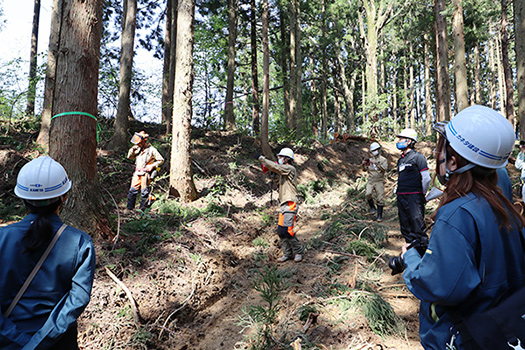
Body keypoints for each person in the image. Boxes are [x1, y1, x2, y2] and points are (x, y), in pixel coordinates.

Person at [401, 105, 525, 350]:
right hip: (501, 330)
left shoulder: (456, 214)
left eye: (440, 150)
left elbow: (439, 286)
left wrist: (411, 261)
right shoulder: (503, 203)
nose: (437, 156)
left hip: (467, 335)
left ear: (454, 161)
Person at [0, 156, 96, 349]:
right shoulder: (80, 243)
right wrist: (38, 344)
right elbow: (77, 300)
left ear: (23, 198)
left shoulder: (2, 238)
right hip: (58, 344)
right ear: (65, 196)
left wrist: (18, 340)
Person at [257, 148, 304, 262]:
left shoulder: (290, 169)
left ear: (287, 159)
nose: (279, 159)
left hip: (290, 203)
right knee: (280, 231)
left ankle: (298, 252)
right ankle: (287, 254)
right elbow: (278, 183)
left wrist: (262, 159)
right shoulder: (283, 173)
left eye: (280, 157)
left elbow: (277, 167)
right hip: (283, 204)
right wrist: (274, 176)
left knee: (288, 230)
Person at [395, 128, 431, 252]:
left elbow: (426, 178)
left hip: (414, 196)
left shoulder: (418, 157)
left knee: (417, 224)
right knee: (405, 224)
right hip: (401, 196)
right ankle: (410, 252)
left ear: (410, 141)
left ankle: (422, 252)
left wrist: (422, 193)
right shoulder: (401, 159)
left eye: (401, 139)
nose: (398, 141)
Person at [126, 131, 164, 211]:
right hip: (137, 173)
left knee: (144, 192)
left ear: (144, 141)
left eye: (139, 142)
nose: (138, 144)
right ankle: (129, 209)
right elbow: (129, 157)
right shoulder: (137, 149)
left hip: (145, 174)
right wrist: (132, 149)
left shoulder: (152, 150)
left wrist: (152, 165)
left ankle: (142, 210)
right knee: (132, 191)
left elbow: (161, 160)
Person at [362, 142, 388, 222]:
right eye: (372, 151)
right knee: (368, 194)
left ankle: (379, 216)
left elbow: (385, 168)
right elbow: (365, 169)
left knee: (380, 199)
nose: (374, 152)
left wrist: (376, 163)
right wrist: (363, 164)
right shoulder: (370, 159)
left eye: (375, 150)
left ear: (378, 150)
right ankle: (372, 207)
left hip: (379, 181)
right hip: (371, 180)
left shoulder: (383, 159)